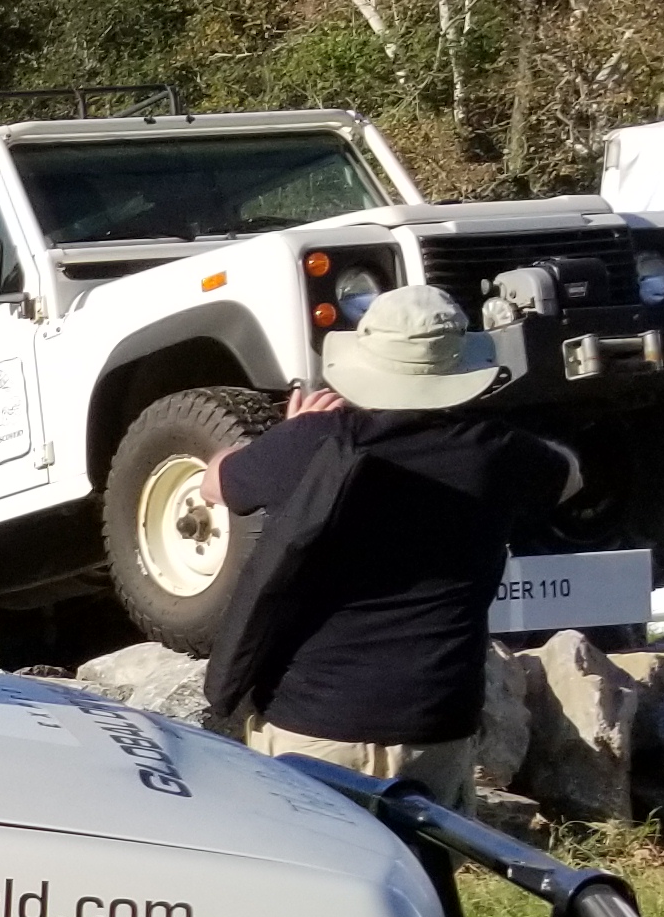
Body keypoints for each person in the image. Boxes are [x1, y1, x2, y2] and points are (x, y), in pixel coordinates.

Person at [197, 282, 582, 802]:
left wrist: (291, 433)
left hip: (314, 721)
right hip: (436, 724)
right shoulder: (499, 455)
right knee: (419, 881)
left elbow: (215, 483)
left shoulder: (318, 440)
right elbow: (570, 473)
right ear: (460, 366)